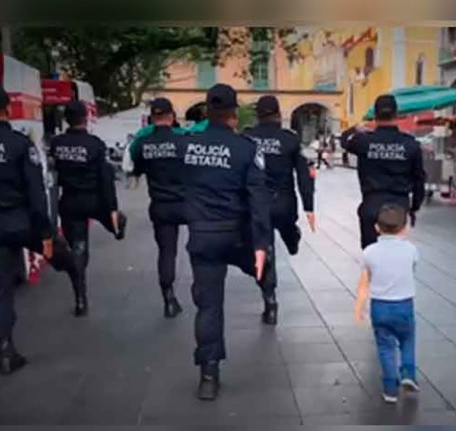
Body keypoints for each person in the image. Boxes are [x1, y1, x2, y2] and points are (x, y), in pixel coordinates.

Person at [0, 86, 68, 375]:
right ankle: (74, 273)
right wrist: (45, 233)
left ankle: (5, 350)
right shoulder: (19, 144)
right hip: (21, 222)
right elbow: (36, 193)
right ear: (7, 108)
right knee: (60, 254)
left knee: (0, 289)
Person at [182, 84, 270, 401]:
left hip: (202, 235)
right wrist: (261, 244)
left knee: (208, 306)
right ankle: (269, 294)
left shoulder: (187, 146)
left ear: (206, 111)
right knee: (263, 268)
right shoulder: (246, 148)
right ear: (234, 113)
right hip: (236, 235)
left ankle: (208, 376)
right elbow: (259, 200)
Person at [50, 101, 127, 317]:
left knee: (78, 248)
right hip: (95, 200)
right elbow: (105, 178)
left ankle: (80, 297)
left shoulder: (57, 143)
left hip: (70, 202)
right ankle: (118, 225)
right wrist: (112, 208)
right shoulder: (95, 144)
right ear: (86, 118)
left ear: (66, 119)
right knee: (115, 219)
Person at [243, 95, 316, 325]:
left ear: (258, 114)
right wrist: (309, 206)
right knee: (285, 227)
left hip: (258, 204)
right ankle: (292, 236)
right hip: (284, 202)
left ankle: (269, 299)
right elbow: (304, 175)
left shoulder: (247, 138)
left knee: (264, 250)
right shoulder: (289, 139)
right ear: (278, 114)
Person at [341, 94, 426, 249]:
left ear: (375, 115)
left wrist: (355, 128)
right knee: (396, 254)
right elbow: (419, 179)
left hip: (371, 204)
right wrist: (414, 207)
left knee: (371, 254)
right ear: (397, 114)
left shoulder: (364, 141)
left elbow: (344, 140)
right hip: (398, 207)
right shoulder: (410, 144)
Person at [354, 204, 419, 403]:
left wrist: (359, 307)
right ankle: (408, 374)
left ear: (376, 228)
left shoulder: (369, 252)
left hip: (379, 307)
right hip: (404, 305)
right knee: (407, 340)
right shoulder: (411, 250)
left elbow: (365, 282)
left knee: (385, 346)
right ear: (405, 228)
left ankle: (390, 388)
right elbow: (413, 267)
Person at [129, 98, 185, 318]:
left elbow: (136, 170)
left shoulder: (143, 145)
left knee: (166, 252)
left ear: (152, 119)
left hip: (160, 205)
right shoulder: (184, 141)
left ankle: (168, 299)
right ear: (172, 116)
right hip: (185, 203)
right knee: (199, 247)